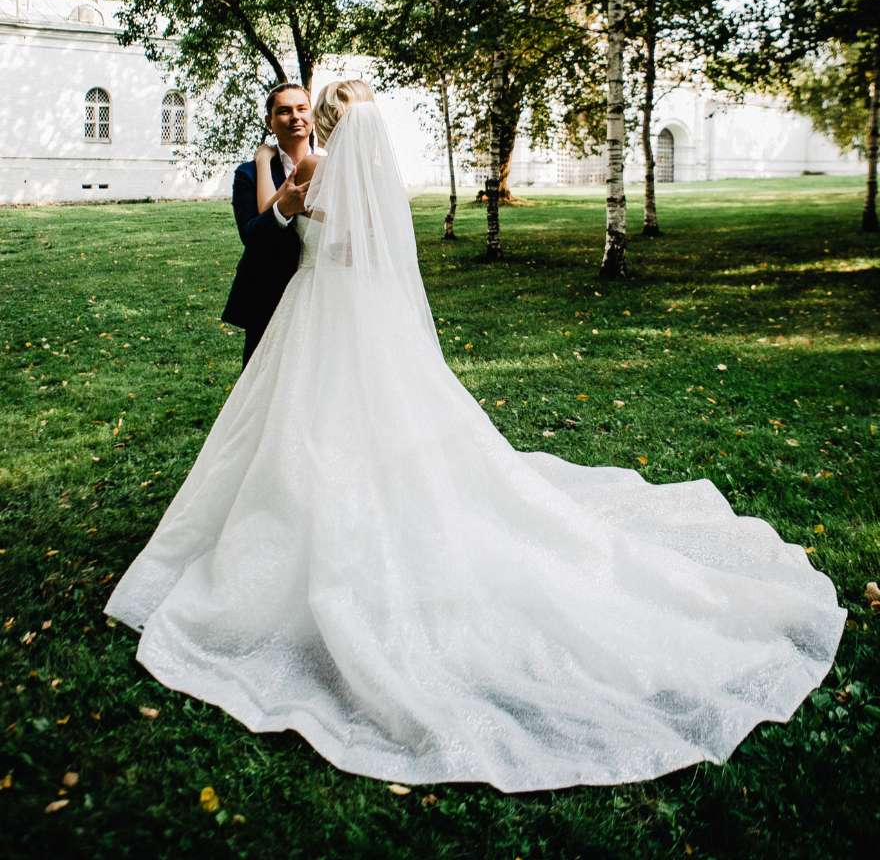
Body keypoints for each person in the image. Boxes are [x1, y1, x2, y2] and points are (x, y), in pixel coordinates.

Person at [107, 80, 845, 793]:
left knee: (318, 431)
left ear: (325, 122)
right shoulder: (350, 175)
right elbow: (299, 230)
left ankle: (307, 532)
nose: (303, 121)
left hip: (323, 313)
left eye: (312, 112)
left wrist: (299, 194)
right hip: (344, 315)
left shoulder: (320, 173)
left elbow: (306, 222)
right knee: (345, 430)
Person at [221, 82, 313, 368]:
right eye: (284, 111)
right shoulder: (248, 172)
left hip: (319, 291)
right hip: (267, 293)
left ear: (313, 115)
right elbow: (250, 231)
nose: (295, 117)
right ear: (269, 121)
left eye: (302, 109)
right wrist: (281, 208)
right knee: (260, 377)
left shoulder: (332, 163)